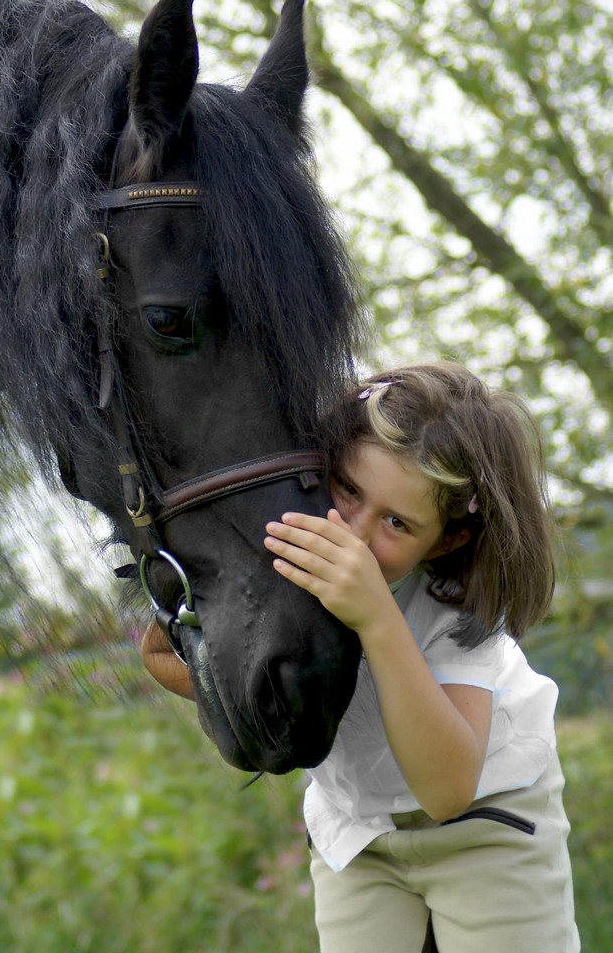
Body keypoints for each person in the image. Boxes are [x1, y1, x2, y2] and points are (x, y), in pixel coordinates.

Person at [142, 363, 580, 952]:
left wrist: (375, 615)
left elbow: (447, 791)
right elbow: (158, 654)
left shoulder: (456, 608)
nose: (354, 531)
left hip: (486, 827)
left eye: (397, 523)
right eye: (348, 489)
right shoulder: (288, 573)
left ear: (448, 540)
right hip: (358, 836)